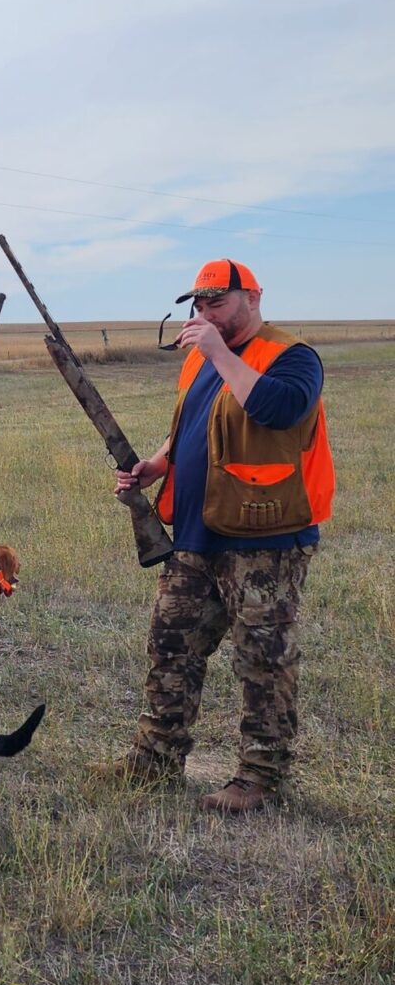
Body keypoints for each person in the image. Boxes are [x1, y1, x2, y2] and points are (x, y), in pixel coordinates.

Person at [98, 259, 334, 813]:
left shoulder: (292, 356)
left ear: (252, 297)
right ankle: (155, 758)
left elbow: (279, 409)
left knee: (263, 659)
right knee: (171, 645)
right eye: (198, 306)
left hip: (267, 539)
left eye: (217, 303)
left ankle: (261, 779)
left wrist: (221, 353)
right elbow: (194, 424)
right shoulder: (203, 361)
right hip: (198, 535)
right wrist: (156, 464)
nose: (205, 314)